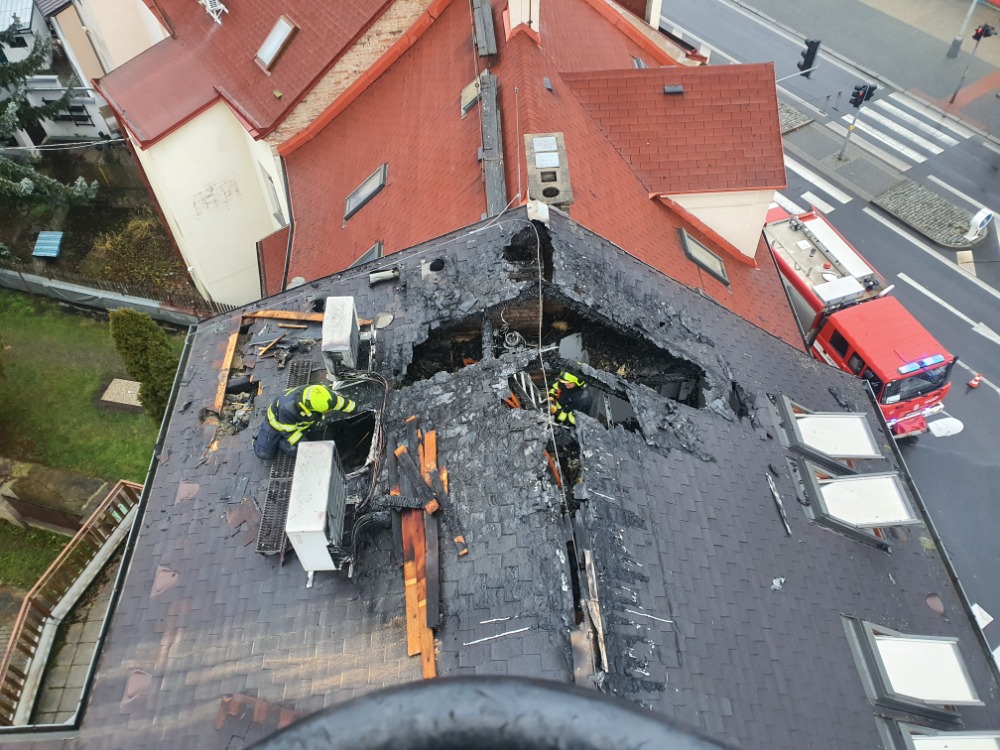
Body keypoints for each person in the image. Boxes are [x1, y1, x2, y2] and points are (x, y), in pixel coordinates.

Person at [253, 383, 356, 460]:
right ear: (311, 408)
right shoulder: (288, 409)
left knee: (319, 428)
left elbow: (340, 403)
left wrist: (355, 408)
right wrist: (311, 449)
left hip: (298, 423)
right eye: (325, 411)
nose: (328, 412)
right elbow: (292, 435)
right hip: (276, 424)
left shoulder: (322, 395)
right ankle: (261, 438)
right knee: (268, 453)